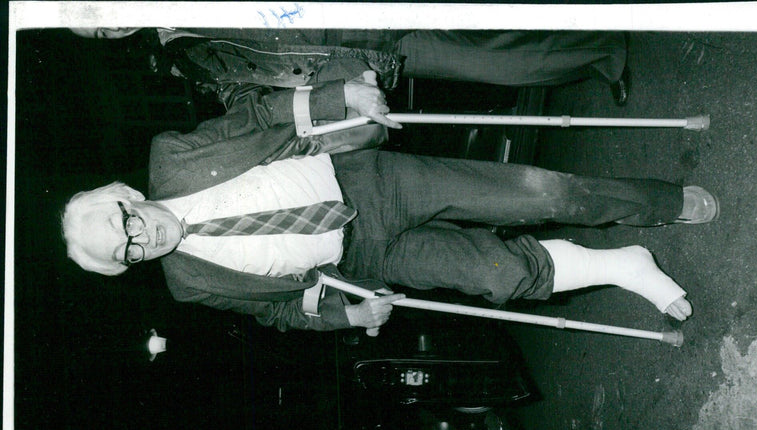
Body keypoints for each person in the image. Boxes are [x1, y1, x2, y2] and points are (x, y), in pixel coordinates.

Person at [61, 70, 718, 333]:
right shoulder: (187, 283)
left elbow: (258, 116)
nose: (139, 235)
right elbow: (285, 311)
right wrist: (348, 316)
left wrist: (337, 96)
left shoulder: (170, 157)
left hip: (367, 182)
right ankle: (625, 264)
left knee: (538, 193)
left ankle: (655, 202)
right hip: (370, 258)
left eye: (125, 220)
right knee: (504, 276)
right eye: (128, 250)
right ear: (134, 263)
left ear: (128, 196)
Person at [69, 27, 632, 105]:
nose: (110, 24)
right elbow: (247, 92)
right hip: (360, 51)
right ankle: (603, 53)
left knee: (490, 35)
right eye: (99, 31)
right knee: (488, 62)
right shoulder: (184, 60)